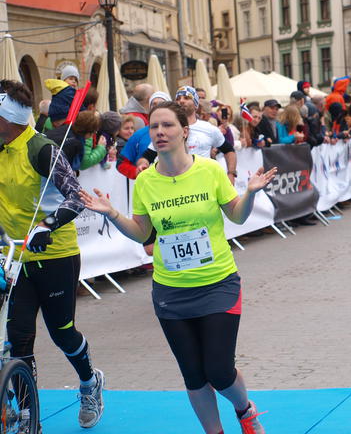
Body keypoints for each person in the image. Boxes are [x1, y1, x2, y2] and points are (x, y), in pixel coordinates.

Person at [79, 101, 275, 434]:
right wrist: (112, 214)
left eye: (167, 125)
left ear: (184, 132)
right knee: (194, 375)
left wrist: (252, 194)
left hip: (217, 284)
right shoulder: (145, 181)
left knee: (219, 371)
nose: (159, 132)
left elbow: (237, 216)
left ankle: (244, 410)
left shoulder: (210, 170)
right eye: (154, 126)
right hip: (171, 291)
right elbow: (142, 233)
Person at [0, 80, 105, 429]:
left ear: (7, 118)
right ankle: (28, 415)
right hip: (15, 259)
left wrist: (47, 225)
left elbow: (76, 196)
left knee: (62, 333)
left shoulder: (42, 150)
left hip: (55, 254)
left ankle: (89, 383)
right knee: (18, 340)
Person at [139, 86, 238, 185]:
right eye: (178, 99)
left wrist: (231, 173)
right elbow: (147, 156)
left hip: (204, 184)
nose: (181, 101)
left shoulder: (209, 129)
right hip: (176, 185)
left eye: (186, 98)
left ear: (196, 104)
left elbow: (229, 150)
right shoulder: (168, 130)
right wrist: (143, 164)